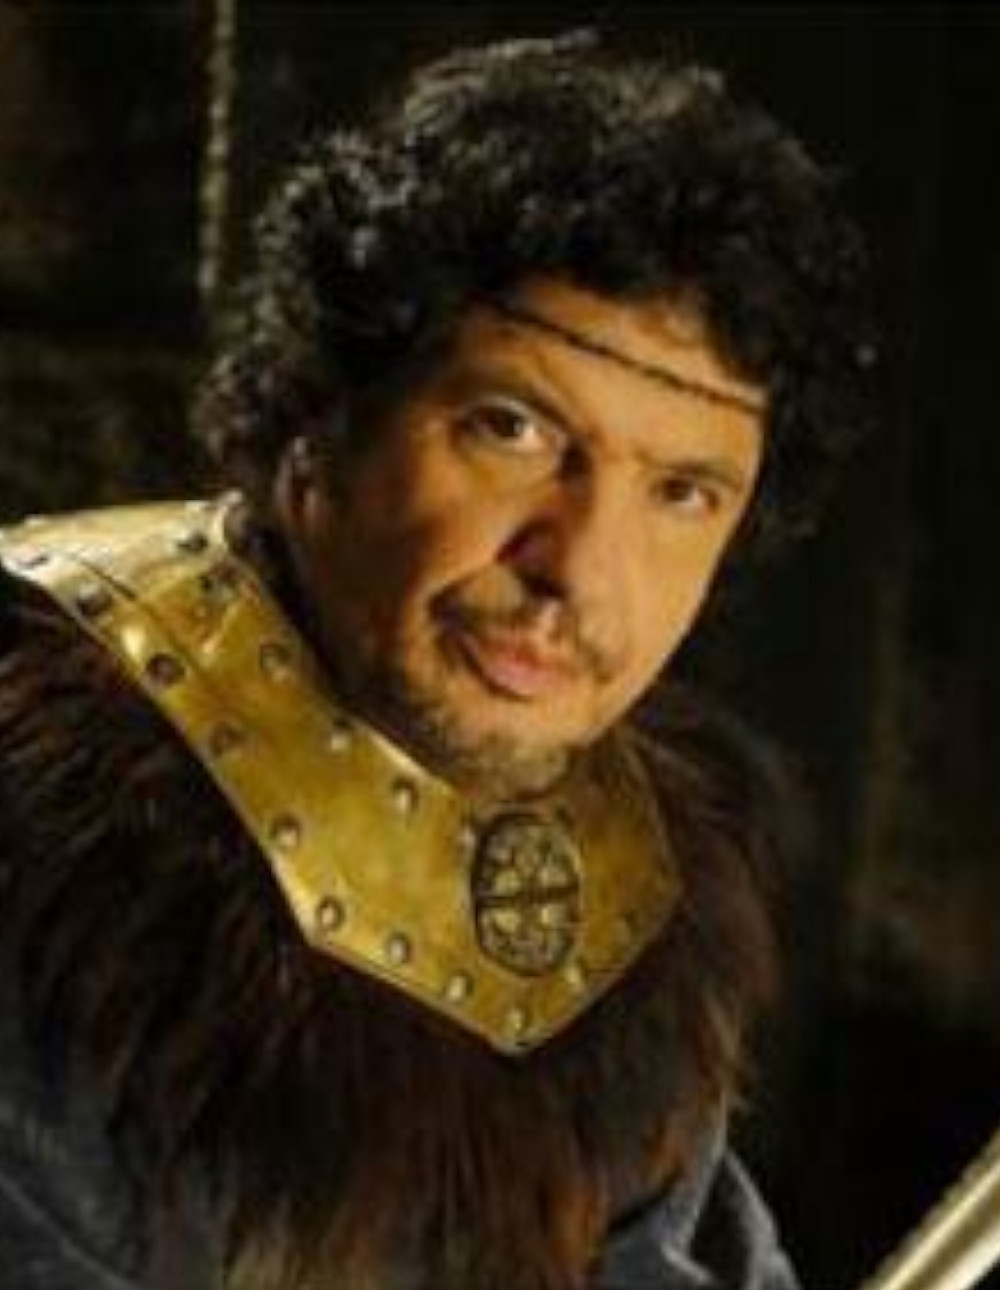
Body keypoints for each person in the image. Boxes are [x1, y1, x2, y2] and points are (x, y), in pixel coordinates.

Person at [0, 30, 871, 1290]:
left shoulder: (613, 904)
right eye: (511, 430)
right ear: (322, 417)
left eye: (680, 493)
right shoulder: (36, 832)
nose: (579, 571)